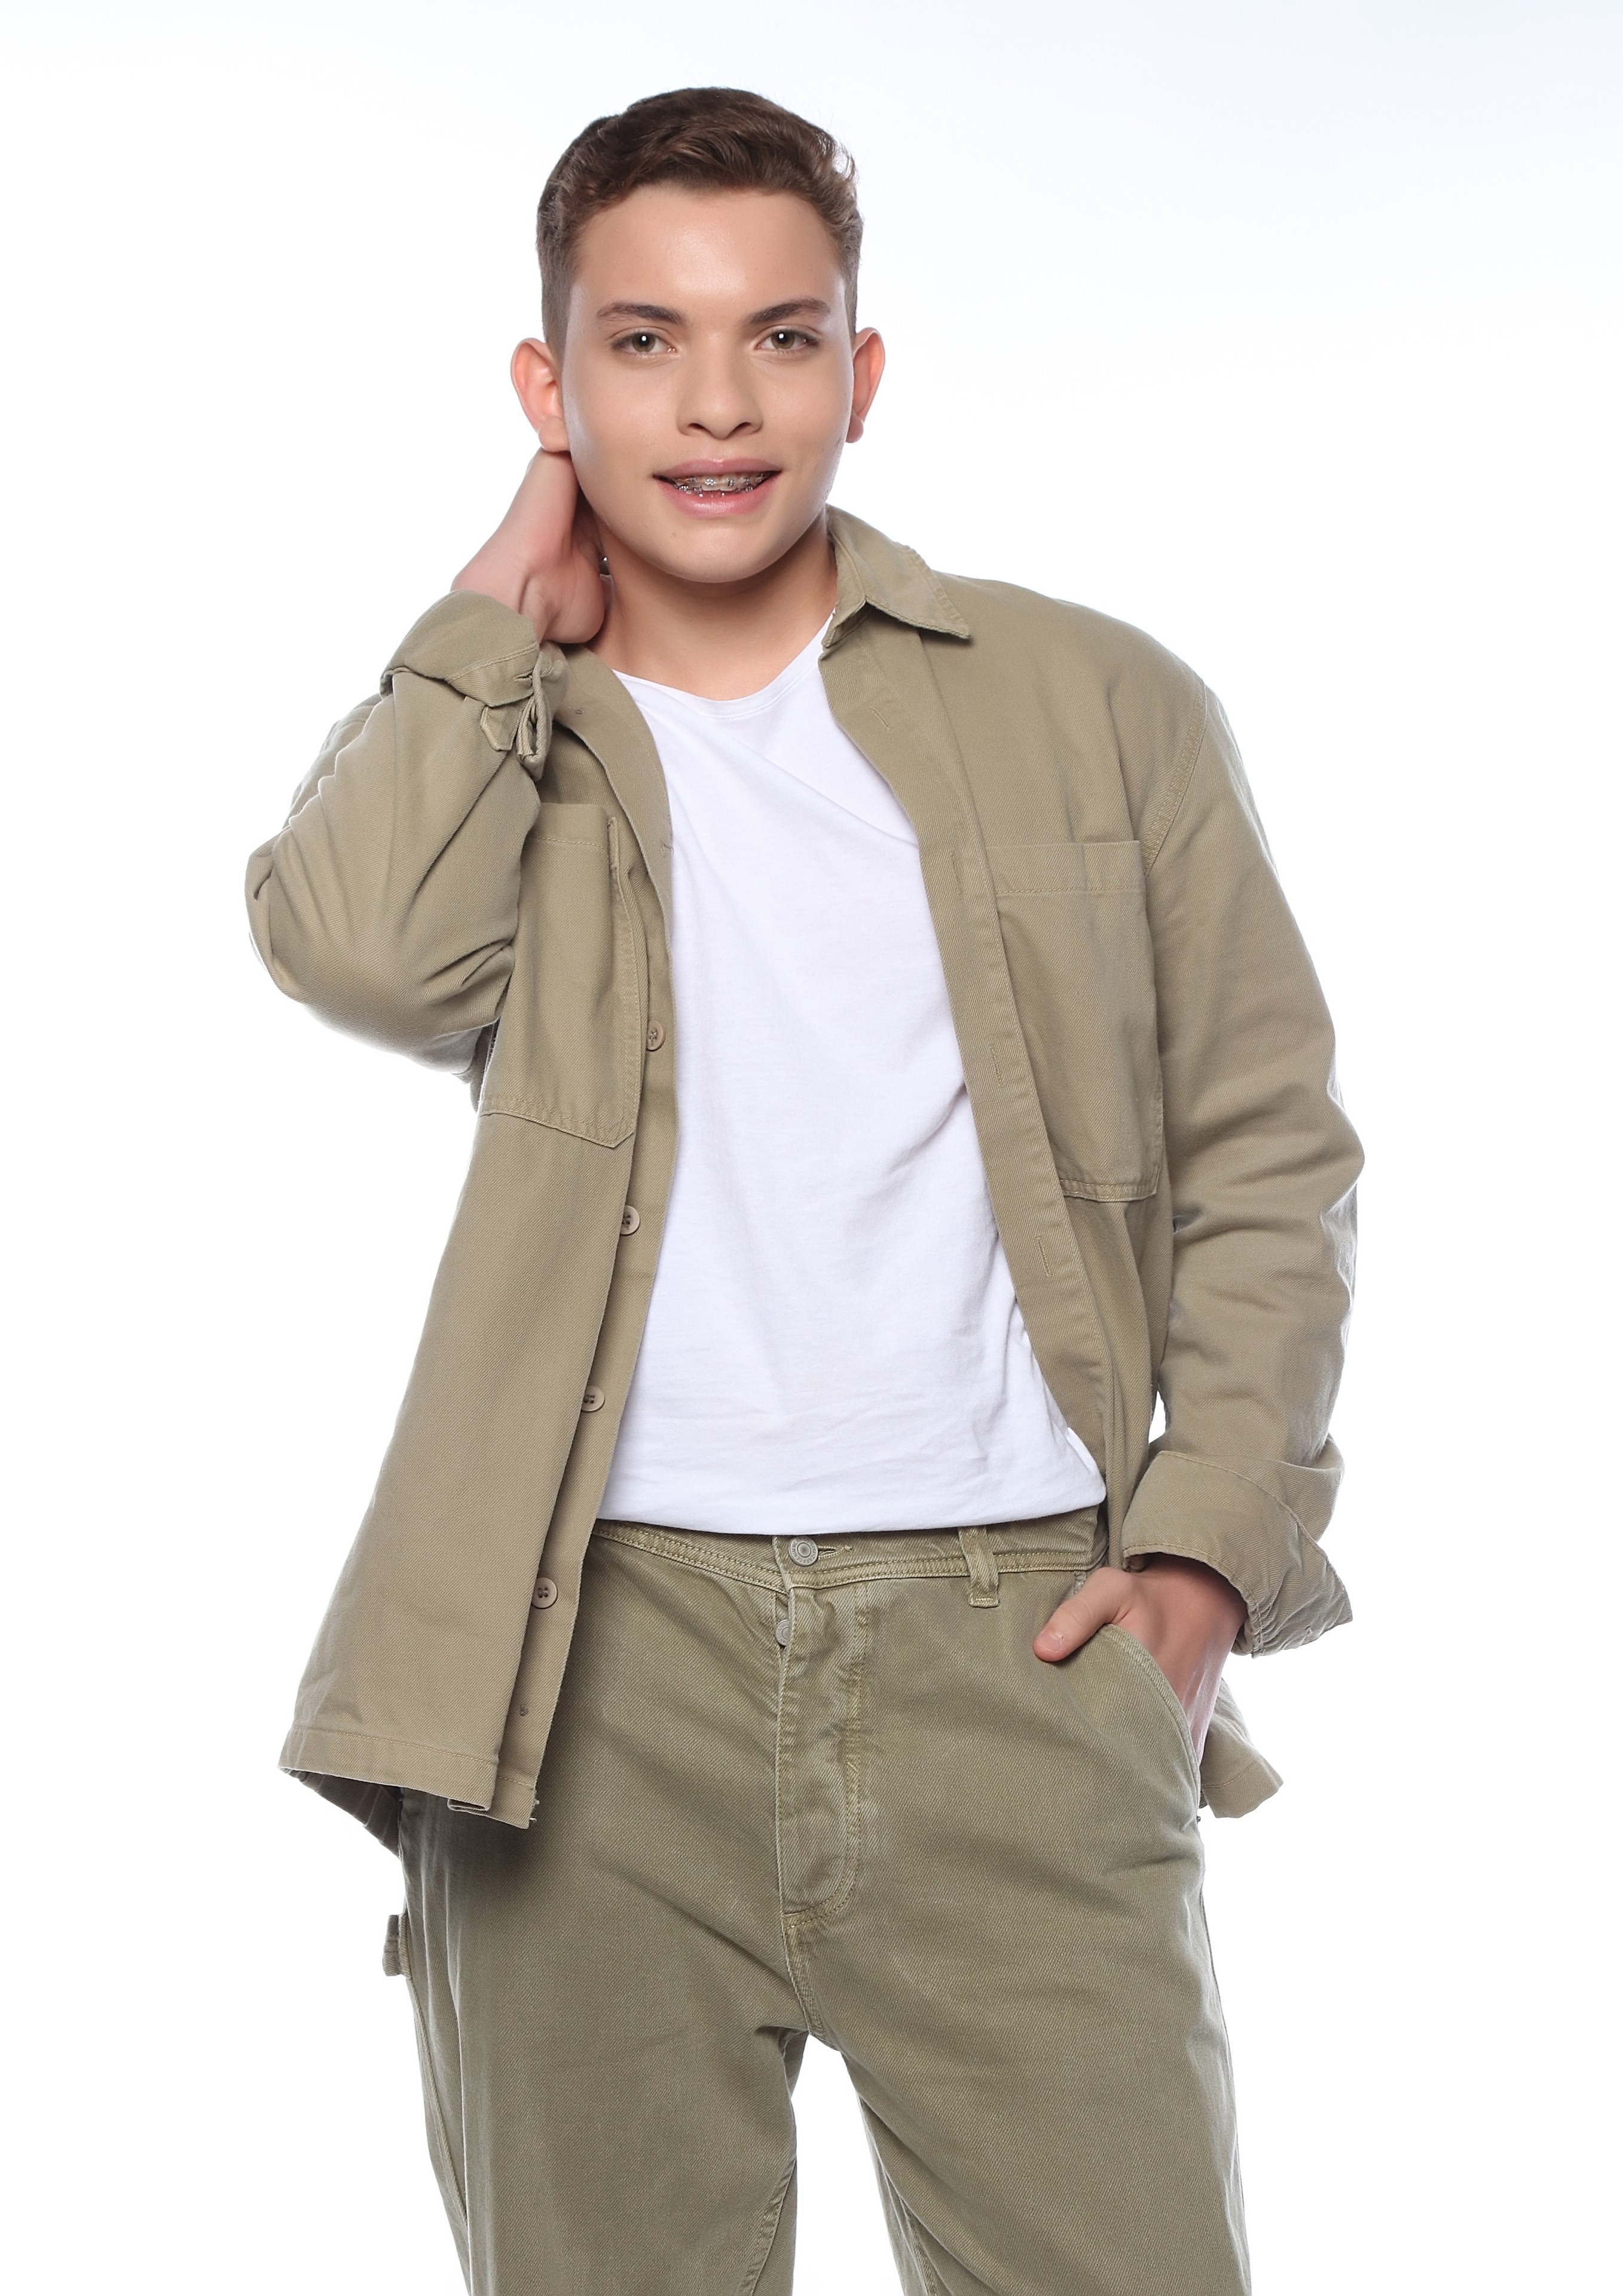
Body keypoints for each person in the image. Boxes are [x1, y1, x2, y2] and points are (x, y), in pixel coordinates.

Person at [246, 84, 1361, 2296]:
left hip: (1015, 1639)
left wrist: (1204, 1552)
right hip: (586, 1669)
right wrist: (495, 596)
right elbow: (357, 951)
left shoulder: (1094, 701)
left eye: (780, 336)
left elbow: (1266, 1143)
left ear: (860, 371)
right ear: (549, 386)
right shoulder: (505, 736)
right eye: (642, 343)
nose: (718, 403)